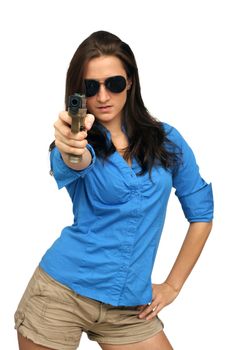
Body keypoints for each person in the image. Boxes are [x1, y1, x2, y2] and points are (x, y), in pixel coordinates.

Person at [14, 30, 214, 350]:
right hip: (60, 294)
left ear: (130, 81)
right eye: (91, 87)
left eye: (114, 83)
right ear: (79, 92)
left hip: (129, 306)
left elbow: (202, 213)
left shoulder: (167, 140)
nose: (103, 97)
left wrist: (173, 286)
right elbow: (75, 159)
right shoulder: (78, 143)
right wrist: (71, 146)